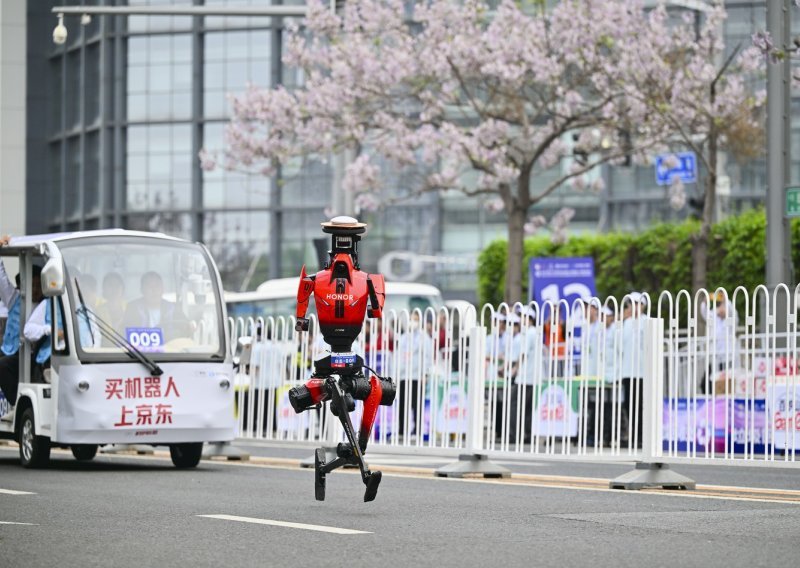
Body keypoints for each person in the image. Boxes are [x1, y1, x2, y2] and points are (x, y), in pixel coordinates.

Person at [287, 216, 396, 502]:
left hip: (337, 356)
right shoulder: (370, 280)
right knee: (366, 389)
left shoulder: (313, 280)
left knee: (372, 389)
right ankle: (358, 451)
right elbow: (376, 311)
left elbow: (301, 314)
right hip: (345, 356)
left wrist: (303, 321)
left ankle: (355, 447)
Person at [0, 235, 44, 420]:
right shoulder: (14, 299)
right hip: (9, 350)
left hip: (32, 354)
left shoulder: (45, 304)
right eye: (30, 285)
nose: (34, 290)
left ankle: (16, 405)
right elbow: (1, 279)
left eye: (37, 285)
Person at [396, 311, 435, 438]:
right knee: (402, 403)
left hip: (418, 376)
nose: (413, 322)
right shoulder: (403, 337)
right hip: (403, 375)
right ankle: (402, 429)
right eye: (412, 319)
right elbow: (398, 356)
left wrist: (426, 374)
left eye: (416, 319)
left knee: (416, 404)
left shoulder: (425, 338)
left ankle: (417, 430)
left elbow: (429, 357)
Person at [123, 271, 190, 342]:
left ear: (162, 289)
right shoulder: (133, 308)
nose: (154, 290)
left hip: (170, 351)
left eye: (157, 286)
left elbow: (186, 329)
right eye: (149, 286)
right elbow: (124, 334)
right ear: (142, 290)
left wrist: (190, 327)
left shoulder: (174, 309)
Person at [620, 292, 648, 449]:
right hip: (627, 371)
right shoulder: (626, 323)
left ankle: (641, 436)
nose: (634, 307)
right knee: (629, 405)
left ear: (643, 305)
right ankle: (633, 435)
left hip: (643, 372)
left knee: (641, 405)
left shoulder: (647, 321)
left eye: (637, 303)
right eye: (631, 303)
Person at [699, 292, 738, 395]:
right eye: (719, 307)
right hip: (715, 357)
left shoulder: (731, 319)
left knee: (726, 383)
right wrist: (705, 300)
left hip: (727, 357)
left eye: (723, 307)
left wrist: (725, 299)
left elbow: (731, 310)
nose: (720, 310)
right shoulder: (713, 317)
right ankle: (711, 401)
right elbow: (704, 311)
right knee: (706, 383)